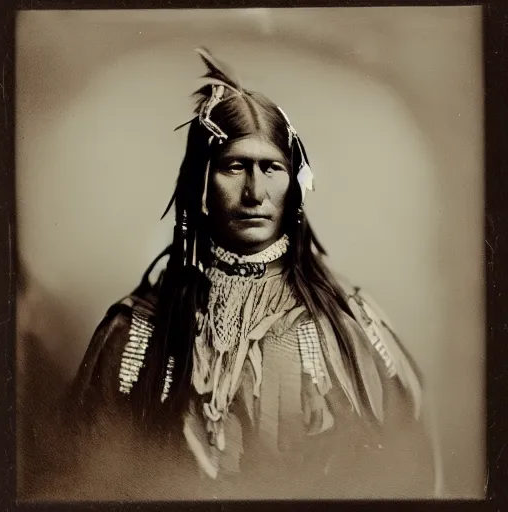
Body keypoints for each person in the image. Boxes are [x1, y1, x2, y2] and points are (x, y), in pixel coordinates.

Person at [62, 48, 437, 500]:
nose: (255, 192)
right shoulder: (136, 331)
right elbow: (90, 474)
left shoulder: (346, 328)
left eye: (272, 168)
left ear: (293, 184)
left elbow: (402, 466)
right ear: (202, 181)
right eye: (235, 166)